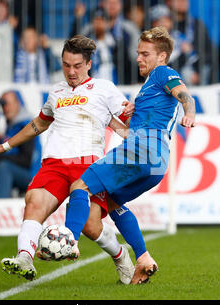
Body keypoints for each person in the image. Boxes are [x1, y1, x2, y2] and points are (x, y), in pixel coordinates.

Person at [0, 35, 152, 284]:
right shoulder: (56, 91)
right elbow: (39, 123)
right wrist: (4, 146)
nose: (71, 71)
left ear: (89, 64)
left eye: (77, 66)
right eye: (66, 65)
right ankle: (24, 258)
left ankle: (121, 256)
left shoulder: (105, 88)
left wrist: (138, 133)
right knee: (34, 201)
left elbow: (128, 120)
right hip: (55, 164)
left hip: (88, 166)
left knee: (91, 226)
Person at [63, 27, 196, 283]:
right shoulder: (150, 87)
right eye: (138, 53)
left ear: (162, 57)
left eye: (145, 54)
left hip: (141, 149)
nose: (138, 58)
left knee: (79, 185)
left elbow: (184, 95)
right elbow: (159, 107)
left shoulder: (162, 73)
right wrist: (133, 110)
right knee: (112, 201)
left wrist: (189, 113)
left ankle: (67, 240)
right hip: (157, 164)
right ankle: (143, 257)